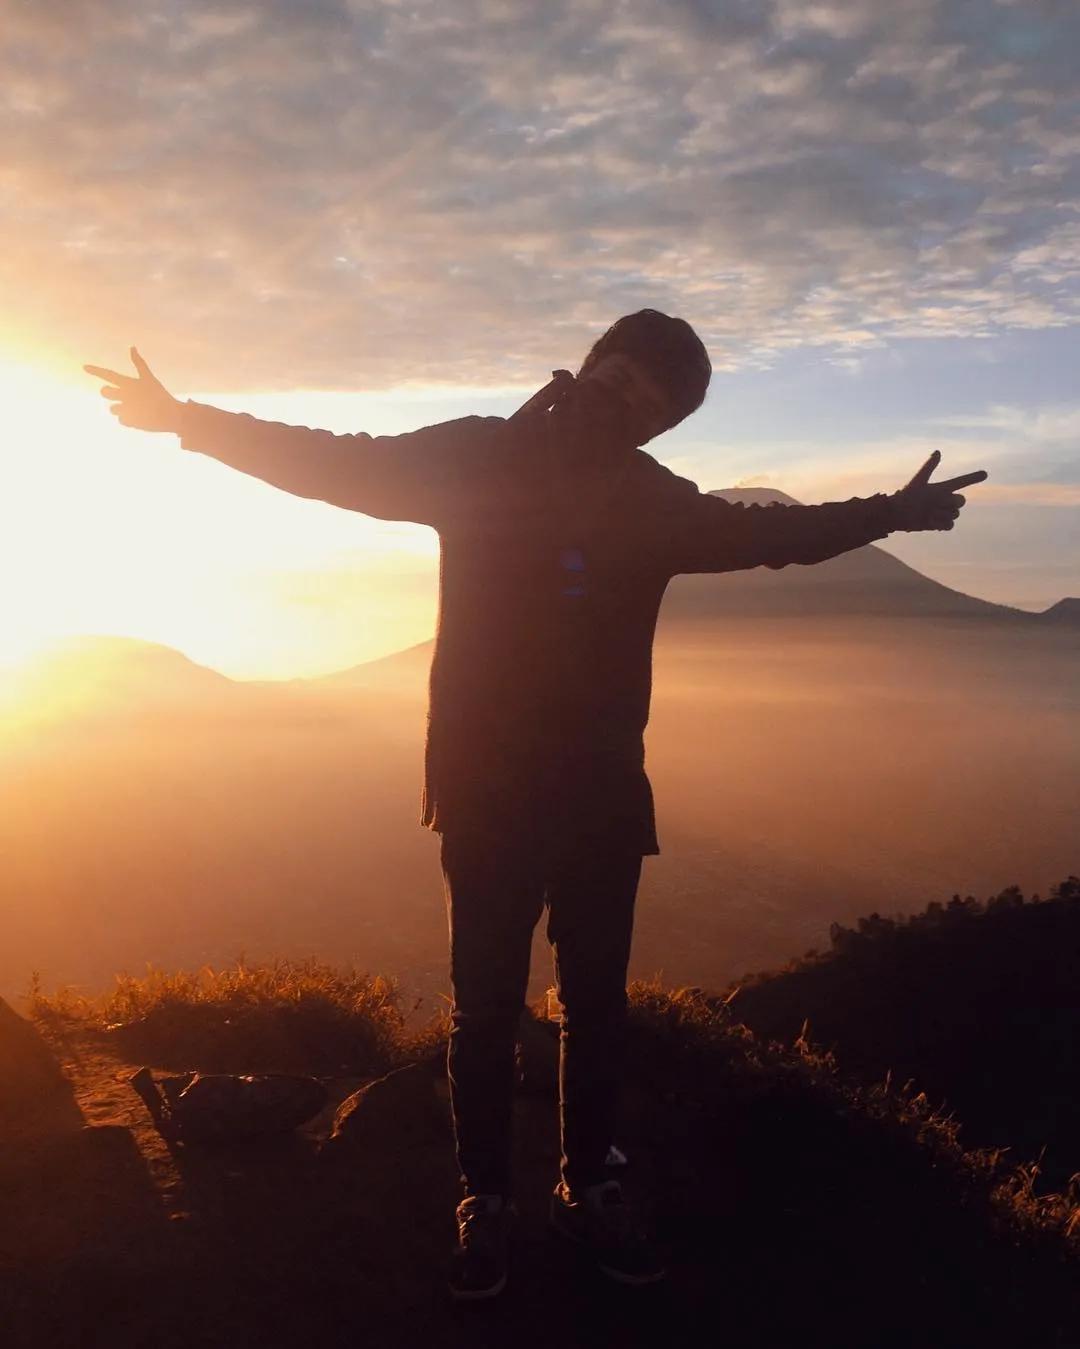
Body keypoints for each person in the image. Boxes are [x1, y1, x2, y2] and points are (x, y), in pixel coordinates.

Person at [84, 310, 988, 1299]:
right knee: (484, 1008)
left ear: (659, 427)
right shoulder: (482, 457)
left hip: (594, 795)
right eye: (628, 376)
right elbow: (334, 460)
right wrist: (189, 420)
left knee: (593, 1006)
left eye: (654, 402)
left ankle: (587, 1180)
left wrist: (885, 513)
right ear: (595, 360)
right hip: (486, 791)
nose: (628, 402)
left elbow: (768, 533)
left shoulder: (640, 497)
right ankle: (489, 1196)